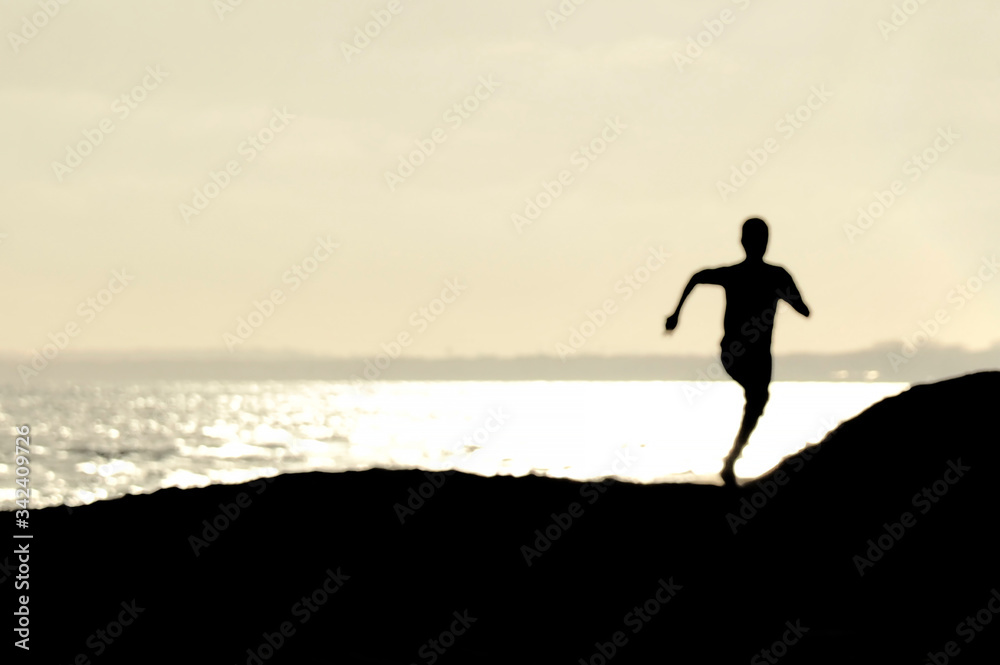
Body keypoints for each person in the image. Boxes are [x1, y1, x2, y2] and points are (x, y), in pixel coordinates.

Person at [664, 218, 810, 487]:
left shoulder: (776, 275)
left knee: (758, 400)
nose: (759, 246)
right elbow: (698, 277)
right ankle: (730, 463)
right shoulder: (738, 274)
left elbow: (804, 310)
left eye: (762, 240)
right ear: (744, 243)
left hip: (761, 355)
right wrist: (676, 313)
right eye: (756, 240)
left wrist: (789, 297)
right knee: (757, 396)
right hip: (736, 352)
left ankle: (730, 462)